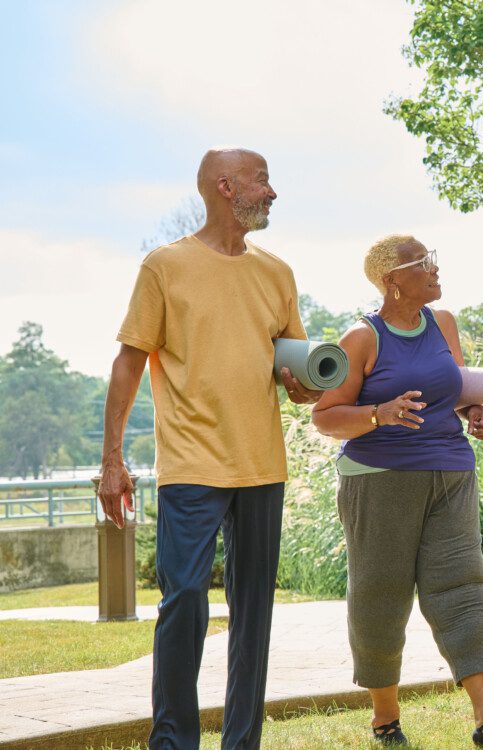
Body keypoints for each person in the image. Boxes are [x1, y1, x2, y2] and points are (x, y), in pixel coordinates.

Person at [98, 148, 322, 750]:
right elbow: (128, 360)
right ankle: (173, 740)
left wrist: (302, 385)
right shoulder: (165, 267)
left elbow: (291, 369)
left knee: (254, 615)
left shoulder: (277, 273)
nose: (272, 193)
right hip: (192, 465)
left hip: (261, 465)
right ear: (226, 187)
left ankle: (241, 741)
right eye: (262, 181)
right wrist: (112, 460)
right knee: (186, 597)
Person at [311, 235, 483, 748]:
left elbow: (451, 391)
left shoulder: (443, 323)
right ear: (392, 281)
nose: (434, 267)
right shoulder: (362, 338)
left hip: (451, 472)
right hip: (379, 481)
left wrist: (470, 410)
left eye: (432, 258)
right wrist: (377, 414)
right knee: (380, 595)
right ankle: (385, 718)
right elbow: (324, 416)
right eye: (422, 262)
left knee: (463, 585)